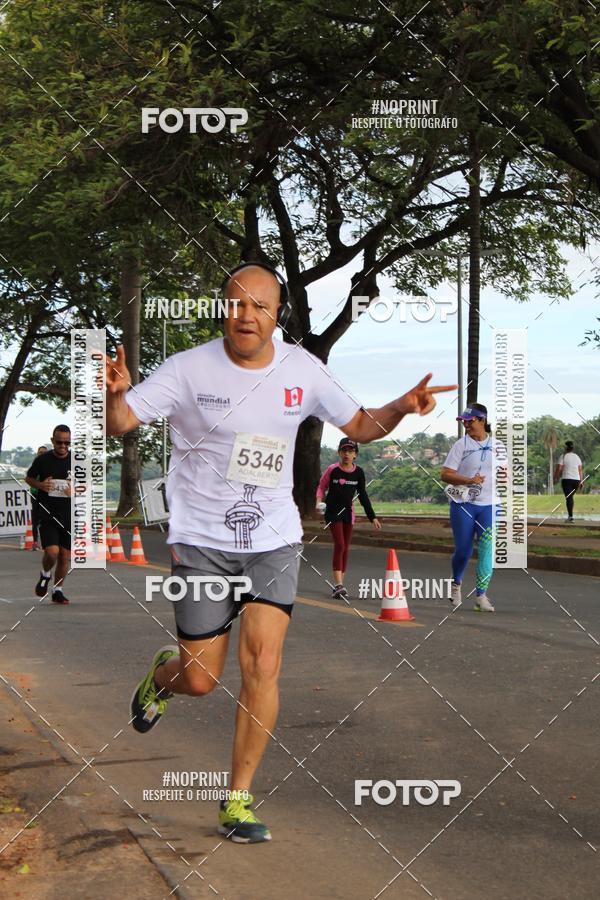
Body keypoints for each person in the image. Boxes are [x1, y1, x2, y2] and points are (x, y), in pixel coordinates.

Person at [105, 262, 455, 843]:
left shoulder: (302, 367)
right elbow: (124, 421)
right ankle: (161, 679)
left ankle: (236, 800)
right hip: (202, 542)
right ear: (223, 309)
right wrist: (115, 396)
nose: (246, 316)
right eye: (236, 304)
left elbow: (362, 425)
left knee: (263, 664)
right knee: (200, 680)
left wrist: (400, 404)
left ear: (276, 315)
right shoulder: (187, 369)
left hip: (273, 538)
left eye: (259, 307)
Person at [441, 403, 506, 612]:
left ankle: (481, 595)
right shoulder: (461, 445)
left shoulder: (498, 445)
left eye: (470, 421)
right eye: (464, 422)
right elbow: (445, 474)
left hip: (490, 505)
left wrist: (506, 478)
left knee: (487, 549)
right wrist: (469, 480)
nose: (466, 425)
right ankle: (456, 583)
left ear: (482, 420)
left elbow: (505, 472)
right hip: (464, 504)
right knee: (464, 550)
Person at [316, 438, 381, 599]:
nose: (347, 454)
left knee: (345, 547)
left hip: (348, 513)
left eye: (350, 451)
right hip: (332, 512)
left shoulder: (358, 473)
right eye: (344, 450)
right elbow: (321, 486)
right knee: (339, 544)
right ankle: (338, 585)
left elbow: (363, 495)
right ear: (339, 452)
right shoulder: (332, 470)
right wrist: (318, 501)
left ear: (355, 455)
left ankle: (340, 586)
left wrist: (372, 516)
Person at [25, 427, 72, 603]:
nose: (63, 446)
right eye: (59, 442)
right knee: (52, 552)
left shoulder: (77, 460)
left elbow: (87, 484)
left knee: (64, 556)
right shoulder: (42, 460)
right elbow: (29, 478)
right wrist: (40, 485)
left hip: (69, 514)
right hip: (47, 513)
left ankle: (58, 590)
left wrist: (76, 489)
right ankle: (45, 574)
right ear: (52, 441)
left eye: (67, 443)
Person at [554, 440, 583, 522]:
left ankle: (570, 517)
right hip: (576, 481)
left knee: (569, 498)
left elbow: (559, 468)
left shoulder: (563, 456)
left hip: (567, 480)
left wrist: (555, 477)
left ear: (565, 448)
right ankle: (570, 516)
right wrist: (581, 481)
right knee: (570, 497)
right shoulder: (577, 457)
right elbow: (580, 469)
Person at [29, 445, 48, 550]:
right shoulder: (35, 465)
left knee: (46, 519)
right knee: (35, 519)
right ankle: (35, 542)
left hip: (46, 495)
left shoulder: (50, 465)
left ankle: (47, 542)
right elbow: (30, 478)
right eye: (40, 452)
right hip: (35, 494)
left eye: (44, 452)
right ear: (37, 454)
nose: (42, 454)